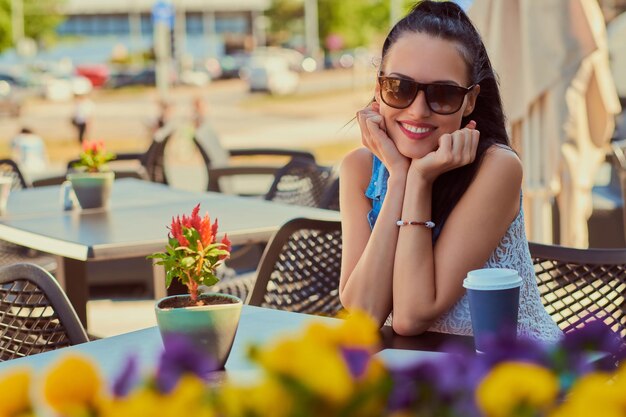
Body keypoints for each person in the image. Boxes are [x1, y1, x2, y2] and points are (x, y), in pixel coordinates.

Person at [339, 0, 562, 343]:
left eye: (443, 95)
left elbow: (411, 316)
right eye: (400, 88)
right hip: (421, 376)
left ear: (470, 101)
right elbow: (362, 315)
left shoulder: (496, 168)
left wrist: (419, 179)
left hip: (514, 374)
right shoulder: (359, 169)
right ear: (378, 89)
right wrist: (399, 176)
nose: (417, 110)